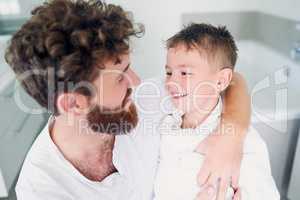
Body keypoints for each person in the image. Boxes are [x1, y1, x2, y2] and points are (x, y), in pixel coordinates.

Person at [5, 0, 250, 199]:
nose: (137, 82)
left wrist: (230, 139)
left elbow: (232, 80)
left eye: (128, 67)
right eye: (120, 76)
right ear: (73, 104)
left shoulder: (141, 101)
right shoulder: (43, 189)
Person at [154, 23, 280, 200]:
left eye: (184, 73)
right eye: (168, 72)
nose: (170, 82)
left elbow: (265, 194)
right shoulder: (165, 122)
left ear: (221, 81)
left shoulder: (246, 144)